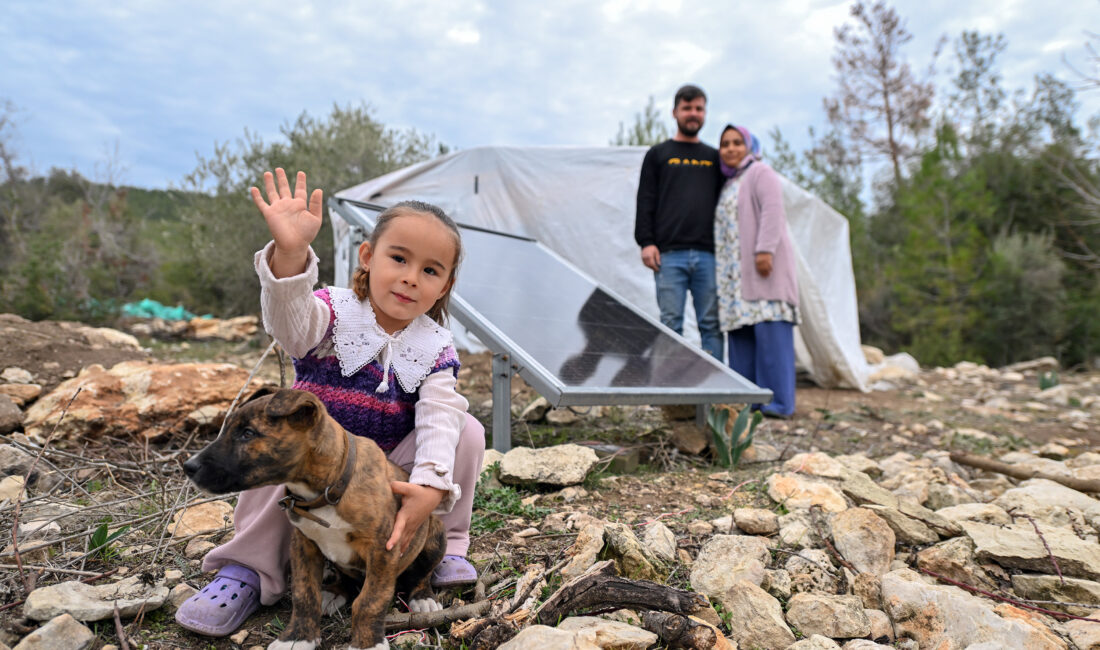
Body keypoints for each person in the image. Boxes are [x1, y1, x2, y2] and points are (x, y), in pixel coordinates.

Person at [175, 168, 485, 637]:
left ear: (444, 286)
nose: (410, 278)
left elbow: (440, 416)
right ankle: (247, 569)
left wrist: (428, 485)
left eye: (429, 270)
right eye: (398, 258)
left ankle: (447, 546)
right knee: (273, 449)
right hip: (318, 456)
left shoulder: (436, 345)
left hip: (385, 472)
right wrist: (290, 255)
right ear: (368, 256)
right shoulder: (334, 311)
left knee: (465, 431)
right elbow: (290, 324)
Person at [634, 84, 724, 361]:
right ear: (675, 112)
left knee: (711, 324)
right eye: (687, 108)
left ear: (705, 113)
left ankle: (715, 385)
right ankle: (669, 386)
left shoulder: (714, 158)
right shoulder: (658, 154)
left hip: (709, 255)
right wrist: (646, 242)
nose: (693, 113)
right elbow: (645, 200)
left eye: (699, 108)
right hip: (669, 255)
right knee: (670, 324)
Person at [714, 125, 799, 417]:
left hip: (762, 270)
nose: (731, 149)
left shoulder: (760, 172)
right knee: (742, 337)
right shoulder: (729, 182)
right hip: (735, 278)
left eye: (737, 142)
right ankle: (747, 401)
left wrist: (765, 250)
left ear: (749, 147)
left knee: (771, 334)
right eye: (725, 144)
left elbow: (773, 210)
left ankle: (778, 403)